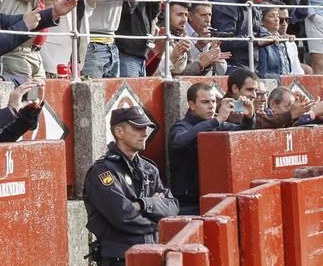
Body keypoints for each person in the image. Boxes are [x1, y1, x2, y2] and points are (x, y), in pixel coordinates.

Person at [84, 107, 179, 264]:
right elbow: (122, 216)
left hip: (152, 252)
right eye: (137, 128)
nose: (145, 133)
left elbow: (173, 206)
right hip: (120, 258)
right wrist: (158, 222)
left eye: (145, 128)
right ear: (119, 132)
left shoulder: (149, 168)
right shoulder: (103, 171)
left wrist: (143, 204)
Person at [168, 81, 253, 214]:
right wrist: (217, 120)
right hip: (188, 204)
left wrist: (248, 117)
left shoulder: (217, 124)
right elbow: (179, 141)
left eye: (213, 101)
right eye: (205, 102)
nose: (211, 106)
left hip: (219, 197)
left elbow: (243, 135)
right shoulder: (181, 126)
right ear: (191, 105)